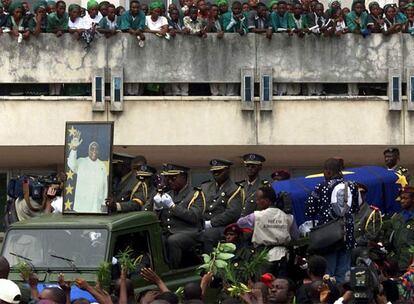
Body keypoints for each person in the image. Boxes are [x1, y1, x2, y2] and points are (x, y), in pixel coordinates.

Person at [305, 158, 359, 284]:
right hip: (347, 234)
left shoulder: (321, 187)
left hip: (328, 236)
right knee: (343, 272)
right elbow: (356, 207)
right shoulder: (352, 185)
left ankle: (329, 297)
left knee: (328, 272)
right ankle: (341, 298)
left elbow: (309, 210)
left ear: (328, 172)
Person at [238, 186, 298, 276]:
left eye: (258, 199)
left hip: (263, 256)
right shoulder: (288, 217)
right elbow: (295, 237)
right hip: (283, 256)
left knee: (263, 285)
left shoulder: (256, 216)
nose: (256, 202)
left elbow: (239, 223)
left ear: (267, 200)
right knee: (281, 286)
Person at [153, 164, 205, 268]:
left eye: (173, 177)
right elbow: (162, 218)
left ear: (184, 177)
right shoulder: (168, 194)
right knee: (154, 238)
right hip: (168, 231)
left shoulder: (195, 194)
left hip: (188, 232)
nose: (170, 181)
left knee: (173, 241)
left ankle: (173, 271)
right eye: (167, 178)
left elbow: (194, 217)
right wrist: (157, 209)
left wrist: (173, 206)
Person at [200, 159, 244, 253]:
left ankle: (211, 266)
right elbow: (200, 207)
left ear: (228, 171)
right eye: (214, 171)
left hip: (224, 227)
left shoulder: (235, 189)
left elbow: (233, 212)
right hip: (203, 224)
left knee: (208, 235)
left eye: (219, 171)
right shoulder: (206, 187)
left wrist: (211, 223)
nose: (216, 174)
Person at [67, 131, 108, 213]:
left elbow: (105, 186)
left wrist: (104, 203)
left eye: (96, 149)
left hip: (96, 206)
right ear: (88, 151)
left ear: (98, 151)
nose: (94, 151)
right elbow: (71, 164)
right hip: (82, 206)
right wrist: (74, 148)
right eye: (92, 149)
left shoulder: (102, 165)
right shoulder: (81, 161)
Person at [120, 0, 145, 96]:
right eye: (133, 7)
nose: (135, 9)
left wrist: (138, 31)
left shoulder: (142, 14)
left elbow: (141, 26)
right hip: (127, 41)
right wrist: (134, 33)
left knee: (137, 67)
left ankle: (136, 92)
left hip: (137, 40)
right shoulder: (125, 15)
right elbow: (125, 27)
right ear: (130, 8)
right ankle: (128, 92)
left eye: (137, 7)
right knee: (127, 67)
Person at [386, 186, 414, 273]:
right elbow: (389, 237)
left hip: (410, 264)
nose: (402, 201)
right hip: (396, 263)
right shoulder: (396, 218)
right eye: (401, 198)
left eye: (405, 198)